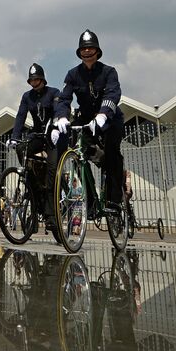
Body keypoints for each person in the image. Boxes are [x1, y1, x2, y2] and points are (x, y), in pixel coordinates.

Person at [55, 29, 125, 214]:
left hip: (109, 119)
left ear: (97, 50)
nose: (87, 51)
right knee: (75, 150)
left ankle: (114, 201)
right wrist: (62, 116)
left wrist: (103, 113)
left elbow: (113, 92)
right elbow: (64, 99)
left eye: (90, 48)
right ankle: (92, 201)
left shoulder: (109, 71)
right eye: (83, 49)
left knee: (113, 155)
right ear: (79, 52)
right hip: (85, 118)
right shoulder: (72, 74)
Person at [8, 63, 65, 227]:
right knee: (22, 148)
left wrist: (56, 126)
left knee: (52, 170)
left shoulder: (53, 93)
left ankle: (51, 216)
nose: (34, 82)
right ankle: (33, 179)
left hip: (53, 137)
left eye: (37, 79)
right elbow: (20, 116)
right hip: (38, 135)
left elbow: (58, 110)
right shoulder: (27, 97)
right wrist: (14, 137)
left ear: (43, 79)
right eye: (32, 80)